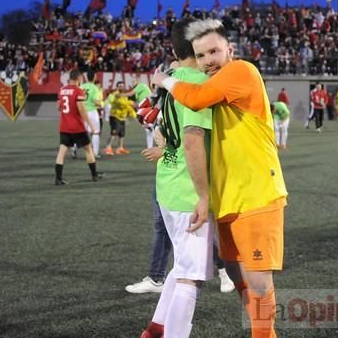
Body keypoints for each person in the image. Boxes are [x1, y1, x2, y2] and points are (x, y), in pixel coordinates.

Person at [154, 19, 287, 337]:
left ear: (230, 49)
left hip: (257, 194)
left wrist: (164, 79)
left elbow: (195, 99)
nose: (208, 60)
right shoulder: (209, 82)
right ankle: (261, 330)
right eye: (201, 55)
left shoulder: (241, 71)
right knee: (234, 270)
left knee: (257, 280)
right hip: (227, 197)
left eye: (214, 51)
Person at [139, 18, 215, 338]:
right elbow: (193, 138)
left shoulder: (173, 79)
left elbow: (161, 131)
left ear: (173, 49)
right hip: (188, 190)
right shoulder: (198, 83)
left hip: (167, 183)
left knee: (182, 265)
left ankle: (155, 329)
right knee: (190, 277)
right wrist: (203, 194)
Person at [55, 70, 102, 185]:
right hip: (77, 127)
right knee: (88, 149)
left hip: (64, 126)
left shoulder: (62, 90)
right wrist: (90, 124)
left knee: (62, 151)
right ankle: (94, 175)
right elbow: (81, 109)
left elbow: (58, 106)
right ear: (78, 78)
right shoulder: (78, 91)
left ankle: (58, 178)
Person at [72, 72, 102, 158]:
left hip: (81, 111)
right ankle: (95, 153)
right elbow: (96, 101)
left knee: (79, 132)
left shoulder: (81, 87)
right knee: (95, 132)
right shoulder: (95, 88)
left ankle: (74, 148)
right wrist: (100, 104)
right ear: (94, 77)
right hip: (92, 112)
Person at [119, 76, 154, 148]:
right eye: (132, 81)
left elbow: (130, 94)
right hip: (146, 108)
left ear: (138, 80)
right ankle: (150, 147)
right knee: (149, 130)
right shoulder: (138, 90)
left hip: (149, 108)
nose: (132, 83)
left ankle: (152, 128)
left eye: (134, 81)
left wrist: (119, 95)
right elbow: (138, 103)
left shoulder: (141, 85)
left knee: (149, 127)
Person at [104, 82, 136, 155]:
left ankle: (120, 148)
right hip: (114, 116)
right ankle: (108, 147)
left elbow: (125, 105)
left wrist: (131, 112)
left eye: (122, 86)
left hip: (122, 117)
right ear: (117, 87)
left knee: (122, 134)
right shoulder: (115, 94)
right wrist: (130, 103)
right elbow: (118, 102)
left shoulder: (125, 95)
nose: (121, 87)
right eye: (120, 86)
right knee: (114, 133)